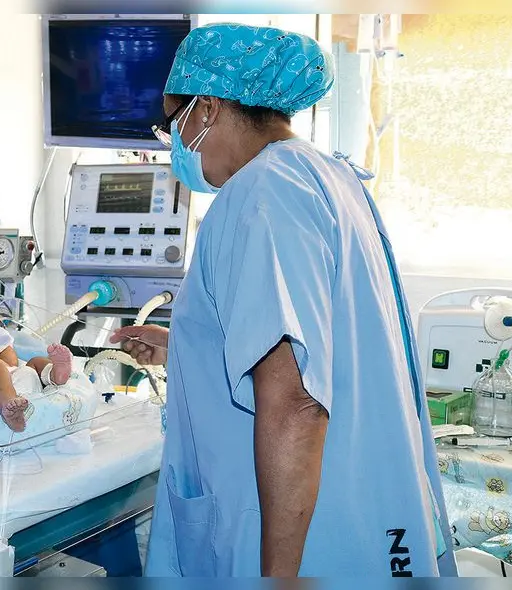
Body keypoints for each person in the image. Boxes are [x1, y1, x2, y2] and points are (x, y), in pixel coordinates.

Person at [109, 23, 457, 577]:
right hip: (365, 499)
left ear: (207, 108)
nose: (173, 142)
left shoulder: (261, 195)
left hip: (301, 531)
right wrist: (187, 347)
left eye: (173, 122)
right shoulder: (330, 177)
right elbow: (325, 339)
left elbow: (296, 400)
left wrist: (278, 577)